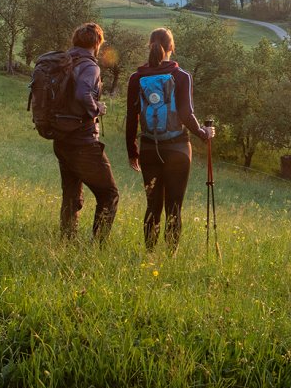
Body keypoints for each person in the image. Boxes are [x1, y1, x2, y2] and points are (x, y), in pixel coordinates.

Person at [125, 26, 214, 251]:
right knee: (174, 206)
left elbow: (131, 116)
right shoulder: (181, 76)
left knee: (152, 205)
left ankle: (149, 254)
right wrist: (204, 134)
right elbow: (186, 114)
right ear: (171, 47)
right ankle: (171, 256)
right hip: (178, 149)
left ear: (150, 45)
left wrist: (131, 149)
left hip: (148, 147)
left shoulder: (137, 77)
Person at [54, 22, 119, 242]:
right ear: (97, 43)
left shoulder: (64, 62)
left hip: (61, 139)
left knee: (71, 194)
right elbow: (83, 93)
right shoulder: (90, 66)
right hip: (82, 140)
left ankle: (67, 241)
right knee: (109, 194)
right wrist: (96, 109)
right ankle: (98, 246)